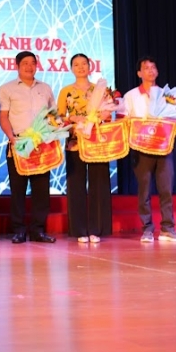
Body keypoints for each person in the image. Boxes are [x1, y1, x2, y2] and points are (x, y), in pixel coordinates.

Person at [122, 56, 176, 243]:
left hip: (164, 147)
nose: (150, 71)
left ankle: (168, 229)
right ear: (139, 73)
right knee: (144, 189)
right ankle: (147, 229)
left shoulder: (168, 95)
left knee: (166, 189)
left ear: (157, 72)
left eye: (153, 67)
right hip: (141, 149)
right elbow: (123, 120)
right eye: (145, 68)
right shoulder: (131, 95)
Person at [0, 50, 57, 244]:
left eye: (33, 63)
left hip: (42, 144)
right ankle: (18, 230)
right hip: (19, 143)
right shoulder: (7, 89)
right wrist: (11, 137)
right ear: (17, 66)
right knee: (18, 190)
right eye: (25, 63)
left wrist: (53, 132)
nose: (29, 66)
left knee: (41, 189)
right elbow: (4, 116)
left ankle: (38, 230)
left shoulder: (46, 88)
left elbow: (53, 116)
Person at [56, 53, 112, 243]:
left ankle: (97, 229)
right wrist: (72, 119)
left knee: (99, 184)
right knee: (76, 185)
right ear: (71, 68)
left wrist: (102, 115)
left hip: (97, 142)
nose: (80, 67)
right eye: (76, 64)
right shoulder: (66, 91)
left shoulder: (100, 89)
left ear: (90, 66)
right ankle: (79, 229)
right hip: (74, 141)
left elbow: (109, 116)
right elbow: (58, 118)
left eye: (84, 64)